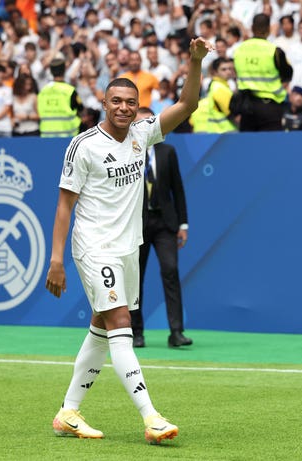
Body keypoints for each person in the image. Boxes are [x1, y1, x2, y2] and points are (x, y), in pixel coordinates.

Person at [44, 37, 212, 444]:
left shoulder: (142, 135)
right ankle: (151, 417)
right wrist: (56, 260)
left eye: (130, 102)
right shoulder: (83, 145)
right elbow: (65, 205)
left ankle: (68, 412)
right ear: (104, 102)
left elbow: (187, 105)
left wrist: (194, 62)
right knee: (121, 322)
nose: (123, 107)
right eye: (116, 100)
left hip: (127, 248)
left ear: (138, 105)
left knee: (101, 328)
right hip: (93, 247)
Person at [131, 106, 191, 348]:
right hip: (136, 225)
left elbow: (178, 189)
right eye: (139, 123)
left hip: (166, 224)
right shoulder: (127, 152)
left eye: (149, 122)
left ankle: (176, 332)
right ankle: (136, 333)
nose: (144, 127)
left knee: (171, 271)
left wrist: (183, 224)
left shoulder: (168, 151)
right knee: (134, 279)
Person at [233, 13, 293, 131]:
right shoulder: (274, 51)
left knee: (248, 146)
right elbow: (288, 74)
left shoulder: (239, 49)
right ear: (269, 29)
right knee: (272, 146)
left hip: (246, 106)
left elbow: (236, 73)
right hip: (269, 106)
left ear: (252, 28)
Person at [37, 58, 83, 137]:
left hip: (46, 136)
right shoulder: (70, 90)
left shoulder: (43, 91)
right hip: (67, 136)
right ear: (64, 70)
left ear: (51, 71)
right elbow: (81, 109)